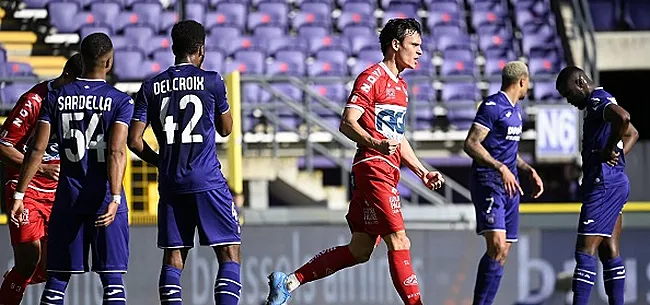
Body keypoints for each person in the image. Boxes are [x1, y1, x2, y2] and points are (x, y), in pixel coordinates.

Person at [266, 18, 445, 305]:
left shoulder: (400, 87)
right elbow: (347, 123)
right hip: (374, 168)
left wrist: (422, 172)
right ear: (395, 45)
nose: (420, 52)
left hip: (382, 169)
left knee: (360, 250)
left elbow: (397, 138)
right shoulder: (372, 77)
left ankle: (289, 281)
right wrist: (375, 143)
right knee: (400, 240)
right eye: (414, 45)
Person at [9, 32, 133, 305]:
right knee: (112, 283)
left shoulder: (56, 98)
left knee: (56, 284)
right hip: (102, 199)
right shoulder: (121, 101)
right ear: (109, 62)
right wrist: (115, 197)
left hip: (67, 200)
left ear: (82, 58)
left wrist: (19, 195)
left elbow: (36, 149)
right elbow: (116, 151)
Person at [128, 20, 241, 305]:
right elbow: (226, 129)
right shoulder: (212, 81)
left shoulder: (151, 86)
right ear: (201, 50)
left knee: (173, 256)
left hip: (170, 182)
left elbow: (134, 141)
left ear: (172, 48)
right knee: (229, 252)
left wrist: (159, 160)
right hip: (206, 180)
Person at [0, 54, 82, 305]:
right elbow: (4, 146)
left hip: (59, 193)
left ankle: (13, 280)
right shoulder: (34, 101)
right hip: (27, 189)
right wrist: (40, 168)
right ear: (66, 76)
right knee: (28, 258)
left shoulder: (79, 103)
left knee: (51, 267)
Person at [555, 66, 639, 305]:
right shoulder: (602, 99)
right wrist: (616, 152)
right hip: (613, 182)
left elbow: (624, 118)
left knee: (584, 252)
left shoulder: (596, 101)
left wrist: (611, 148)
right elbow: (632, 134)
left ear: (581, 82)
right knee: (609, 251)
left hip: (603, 186)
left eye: (569, 93)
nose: (569, 100)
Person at [463, 61, 544, 305]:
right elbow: (471, 143)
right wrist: (499, 167)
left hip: (512, 184)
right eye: (527, 82)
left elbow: (508, 151)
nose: (527, 87)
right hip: (489, 181)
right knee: (497, 245)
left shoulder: (516, 111)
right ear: (522, 81)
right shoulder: (492, 106)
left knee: (504, 251)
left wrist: (528, 169)